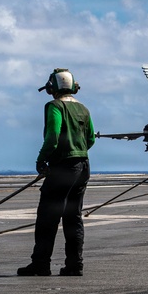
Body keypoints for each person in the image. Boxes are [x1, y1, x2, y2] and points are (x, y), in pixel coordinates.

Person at [17, 68, 95, 277]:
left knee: (47, 218)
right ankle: (74, 265)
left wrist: (42, 159)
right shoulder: (84, 109)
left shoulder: (54, 106)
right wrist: (77, 152)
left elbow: (53, 134)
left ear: (52, 87)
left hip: (63, 168)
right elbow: (91, 139)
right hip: (83, 167)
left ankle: (41, 264)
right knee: (73, 217)